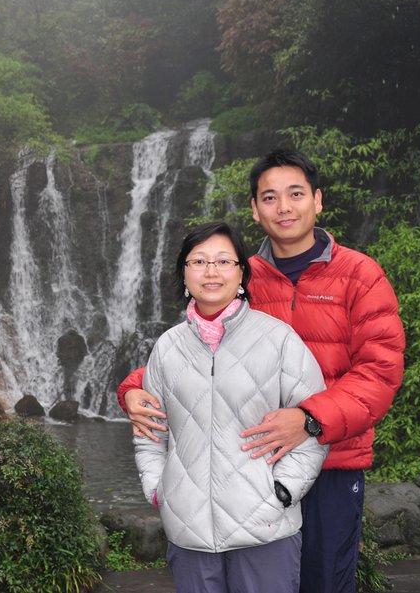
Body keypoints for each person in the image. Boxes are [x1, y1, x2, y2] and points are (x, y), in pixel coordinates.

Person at [119, 148, 405, 593]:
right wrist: (133, 388)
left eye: (296, 194)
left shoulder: (359, 274)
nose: (284, 207)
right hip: (251, 469)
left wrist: (310, 420)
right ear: (255, 209)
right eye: (270, 197)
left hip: (333, 463)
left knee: (326, 583)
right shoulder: (239, 275)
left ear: (318, 200)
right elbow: (201, 353)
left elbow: (379, 373)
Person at [134, 221, 327, 593]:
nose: (211, 271)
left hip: (265, 528)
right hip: (188, 530)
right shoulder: (167, 347)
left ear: (241, 274)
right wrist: (158, 489)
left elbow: (314, 424)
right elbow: (150, 432)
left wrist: (283, 491)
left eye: (224, 261)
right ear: (184, 273)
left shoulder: (279, 340)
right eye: (198, 261)